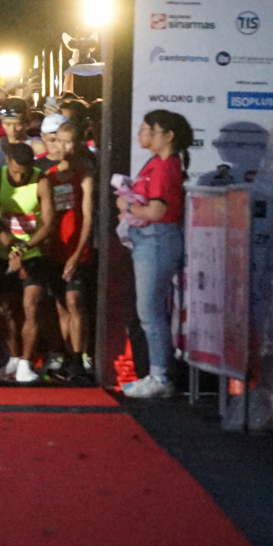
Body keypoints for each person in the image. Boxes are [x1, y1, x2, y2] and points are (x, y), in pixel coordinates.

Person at [117, 109, 192, 399]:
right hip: (150, 240)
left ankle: (160, 376)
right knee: (150, 311)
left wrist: (127, 207)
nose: (142, 134)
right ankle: (156, 373)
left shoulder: (164, 166)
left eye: (148, 129)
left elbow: (157, 211)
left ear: (168, 136)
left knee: (150, 312)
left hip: (157, 240)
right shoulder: (158, 163)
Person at [0, 142, 52, 384]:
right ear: (8, 162)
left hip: (32, 252)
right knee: (6, 309)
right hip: (4, 252)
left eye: (23, 173)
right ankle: (13, 359)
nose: (18, 177)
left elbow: (48, 224)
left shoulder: (41, 181)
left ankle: (26, 362)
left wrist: (24, 248)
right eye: (15, 172)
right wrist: (3, 235)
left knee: (31, 305)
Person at [42, 113, 98, 380]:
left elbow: (88, 218)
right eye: (59, 141)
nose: (63, 147)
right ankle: (65, 356)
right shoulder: (50, 174)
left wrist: (77, 254)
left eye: (68, 141)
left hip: (78, 250)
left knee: (75, 301)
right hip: (54, 249)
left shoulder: (85, 174)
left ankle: (79, 358)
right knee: (61, 306)